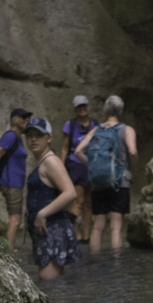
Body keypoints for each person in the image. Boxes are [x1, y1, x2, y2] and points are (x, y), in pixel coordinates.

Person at [76, 95, 136, 256]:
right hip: (120, 181)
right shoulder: (127, 130)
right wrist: (131, 168)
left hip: (98, 183)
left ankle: (94, 260)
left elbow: (78, 151)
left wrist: (92, 166)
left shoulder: (96, 130)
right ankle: (116, 262)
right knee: (116, 226)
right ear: (120, 111)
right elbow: (132, 152)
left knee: (98, 225)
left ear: (105, 110)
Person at [22, 117, 81, 278]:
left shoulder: (51, 161)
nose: (33, 139)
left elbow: (70, 192)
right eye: (29, 135)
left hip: (54, 230)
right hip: (46, 231)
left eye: (38, 135)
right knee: (54, 285)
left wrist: (42, 213)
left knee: (48, 284)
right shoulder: (40, 161)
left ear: (49, 137)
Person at [0, 108, 32, 249]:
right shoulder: (11, 136)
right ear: (14, 120)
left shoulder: (18, 137)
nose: (26, 120)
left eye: (27, 118)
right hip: (11, 183)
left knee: (16, 219)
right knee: (15, 219)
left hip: (15, 183)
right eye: (23, 117)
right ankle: (10, 253)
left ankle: (10, 250)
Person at [60, 96, 95, 242]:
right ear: (75, 109)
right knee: (78, 200)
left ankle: (87, 235)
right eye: (79, 107)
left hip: (91, 165)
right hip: (75, 164)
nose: (82, 109)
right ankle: (76, 235)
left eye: (84, 106)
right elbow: (65, 148)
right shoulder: (70, 125)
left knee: (89, 201)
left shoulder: (95, 125)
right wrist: (61, 168)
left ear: (88, 107)